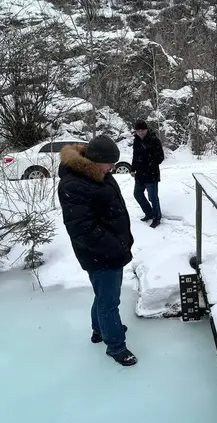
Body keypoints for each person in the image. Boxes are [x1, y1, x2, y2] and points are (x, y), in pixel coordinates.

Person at [57, 135, 137, 366]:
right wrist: (114, 247)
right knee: (109, 300)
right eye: (109, 162)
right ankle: (115, 346)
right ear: (95, 160)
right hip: (100, 253)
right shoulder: (74, 184)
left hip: (110, 249)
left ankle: (99, 329)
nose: (112, 167)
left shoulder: (100, 174)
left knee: (104, 295)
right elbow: (81, 229)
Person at [131, 120, 165, 228]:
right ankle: (149, 213)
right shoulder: (136, 141)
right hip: (140, 174)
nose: (141, 132)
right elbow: (135, 156)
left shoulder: (154, 140)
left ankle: (156, 217)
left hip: (151, 174)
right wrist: (133, 168)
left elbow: (160, 157)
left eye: (143, 130)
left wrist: (149, 164)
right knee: (137, 194)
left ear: (147, 130)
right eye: (138, 131)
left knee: (153, 197)